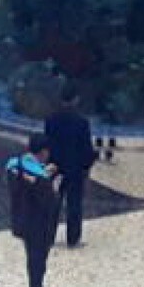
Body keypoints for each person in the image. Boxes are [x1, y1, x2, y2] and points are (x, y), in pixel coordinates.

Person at [7, 135, 63, 287]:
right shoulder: (41, 179)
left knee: (33, 258)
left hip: (21, 220)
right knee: (37, 263)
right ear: (44, 152)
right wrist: (53, 184)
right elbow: (50, 202)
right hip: (39, 226)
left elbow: (26, 183)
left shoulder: (14, 165)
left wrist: (43, 172)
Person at [42, 97, 96, 245]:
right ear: (76, 100)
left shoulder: (51, 120)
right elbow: (86, 147)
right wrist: (87, 164)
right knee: (74, 204)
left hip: (55, 167)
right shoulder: (81, 122)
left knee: (53, 203)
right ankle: (73, 238)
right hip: (75, 168)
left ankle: (48, 236)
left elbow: (47, 144)